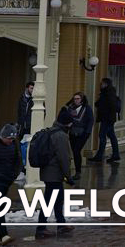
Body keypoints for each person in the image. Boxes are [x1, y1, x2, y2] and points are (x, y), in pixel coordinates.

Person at [34, 111, 75, 239]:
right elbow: (64, 158)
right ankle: (41, 228)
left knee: (57, 199)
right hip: (54, 174)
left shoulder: (52, 131)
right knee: (50, 200)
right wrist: (68, 176)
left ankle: (61, 224)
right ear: (68, 123)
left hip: (49, 172)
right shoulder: (61, 136)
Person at [58, 91, 93, 182]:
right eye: (74, 99)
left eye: (78, 99)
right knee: (73, 151)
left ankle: (78, 172)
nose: (76, 100)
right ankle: (71, 171)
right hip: (73, 132)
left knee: (77, 150)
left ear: (82, 99)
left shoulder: (87, 108)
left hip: (82, 133)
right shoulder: (71, 108)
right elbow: (65, 117)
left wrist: (87, 132)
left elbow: (90, 121)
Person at [89, 77, 121, 163]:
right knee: (111, 135)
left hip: (107, 119)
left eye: (102, 83)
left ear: (105, 84)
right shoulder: (110, 93)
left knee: (102, 136)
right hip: (109, 118)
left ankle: (100, 155)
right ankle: (115, 154)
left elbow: (108, 105)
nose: (100, 85)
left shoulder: (108, 93)